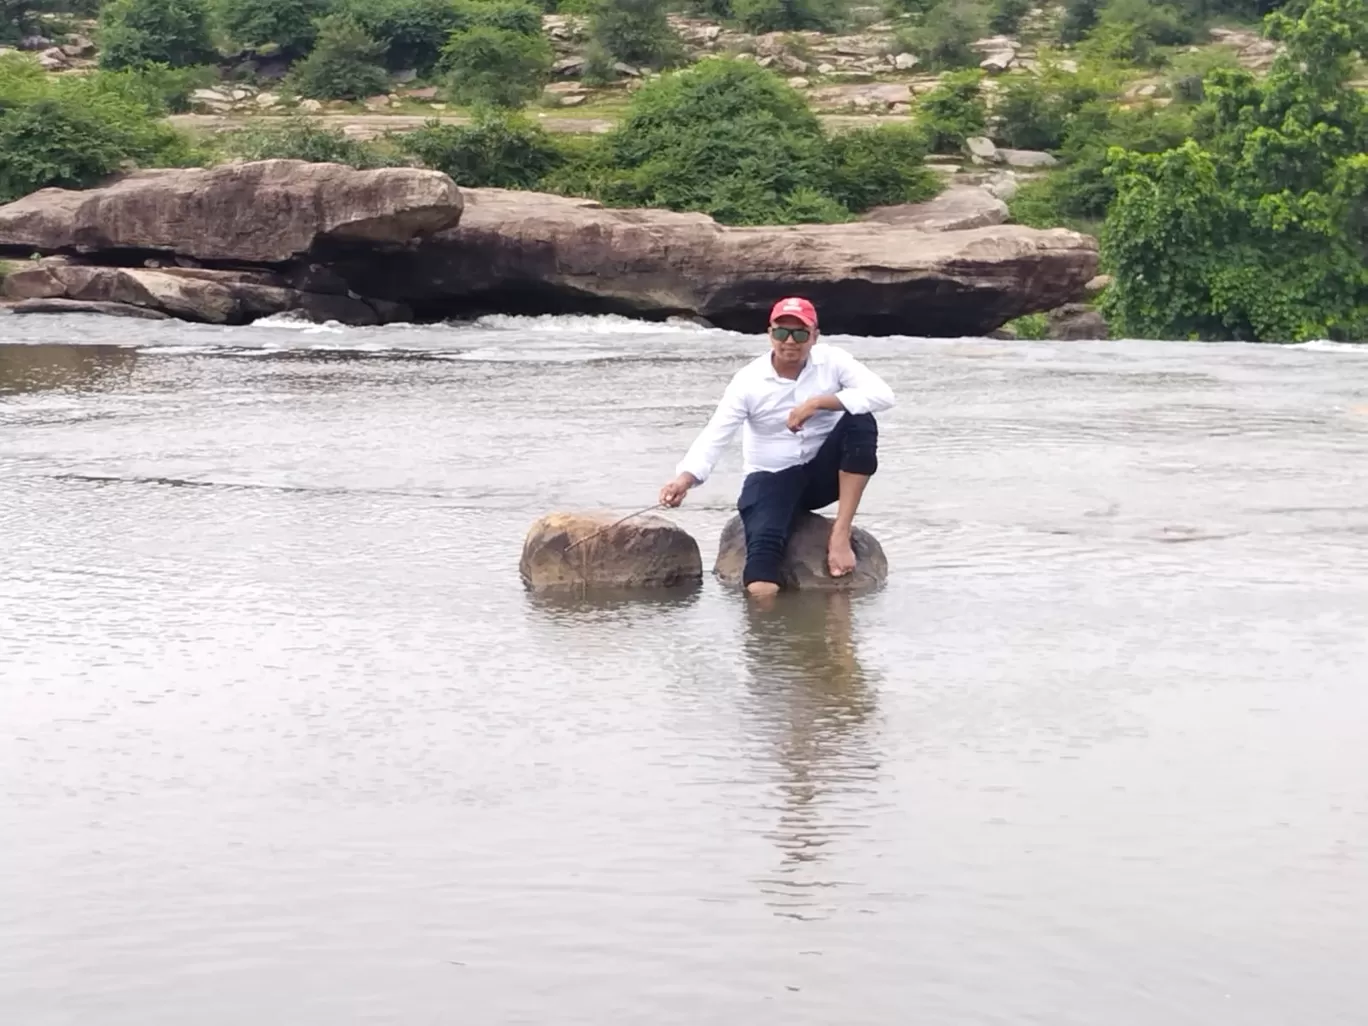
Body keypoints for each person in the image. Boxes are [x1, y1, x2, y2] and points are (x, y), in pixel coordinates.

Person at [658, 296, 895, 598]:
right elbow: (716, 433)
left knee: (861, 420)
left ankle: (840, 532)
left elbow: (883, 395)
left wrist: (819, 403)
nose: (790, 342)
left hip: (822, 476)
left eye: (800, 334)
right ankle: (768, 638)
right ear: (770, 334)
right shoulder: (748, 381)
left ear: (814, 336)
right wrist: (685, 479)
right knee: (761, 568)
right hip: (771, 478)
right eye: (782, 332)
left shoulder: (832, 361)